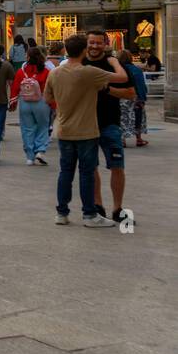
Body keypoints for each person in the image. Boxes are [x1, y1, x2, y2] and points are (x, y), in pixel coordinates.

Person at [43, 34, 125, 227]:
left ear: (66, 50)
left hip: (64, 129)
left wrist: (65, 105)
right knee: (86, 173)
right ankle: (89, 215)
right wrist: (114, 62)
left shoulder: (55, 73)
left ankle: (61, 213)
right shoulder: (89, 72)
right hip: (86, 130)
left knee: (65, 172)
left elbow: (48, 98)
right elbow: (122, 78)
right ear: (84, 51)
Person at [84, 31, 135, 224]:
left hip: (110, 124)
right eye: (91, 43)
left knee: (117, 167)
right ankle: (98, 206)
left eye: (98, 43)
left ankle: (118, 209)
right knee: (91, 167)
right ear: (86, 44)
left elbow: (130, 93)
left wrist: (107, 89)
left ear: (105, 44)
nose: (95, 46)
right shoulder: (80, 64)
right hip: (86, 125)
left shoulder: (114, 65)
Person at [10, 46, 51, 165]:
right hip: (42, 102)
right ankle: (40, 150)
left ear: (28, 57)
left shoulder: (21, 71)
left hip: (25, 102)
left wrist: (13, 102)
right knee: (43, 127)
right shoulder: (46, 71)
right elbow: (50, 89)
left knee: (27, 129)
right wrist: (53, 105)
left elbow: (15, 88)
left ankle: (29, 156)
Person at [117, 50, 148, 147]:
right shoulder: (136, 70)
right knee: (138, 117)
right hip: (135, 97)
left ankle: (122, 140)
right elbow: (141, 85)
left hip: (121, 97)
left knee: (122, 119)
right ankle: (138, 139)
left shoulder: (117, 69)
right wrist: (142, 99)